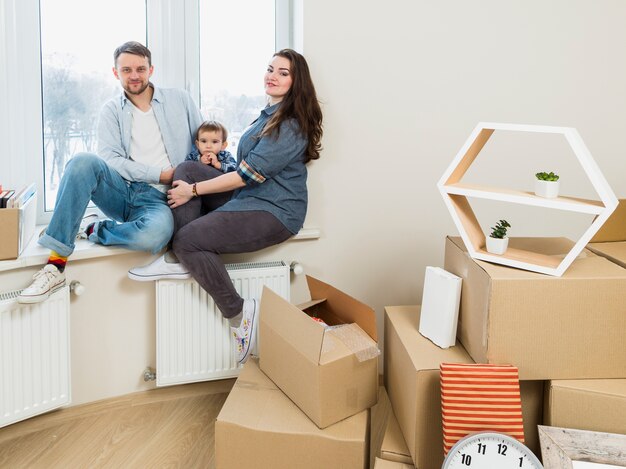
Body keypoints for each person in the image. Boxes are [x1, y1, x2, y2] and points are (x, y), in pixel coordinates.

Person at [131, 49, 323, 364]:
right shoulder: (269, 113)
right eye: (270, 68)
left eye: (283, 72)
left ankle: (237, 312)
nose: (272, 75)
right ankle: (180, 258)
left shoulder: (290, 124)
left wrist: (194, 191)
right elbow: (239, 173)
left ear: (297, 81)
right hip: (251, 199)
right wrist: (200, 176)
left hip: (275, 211)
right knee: (186, 168)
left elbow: (246, 176)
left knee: (187, 238)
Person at [17, 41, 202, 304]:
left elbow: (201, 141)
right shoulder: (111, 111)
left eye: (140, 68)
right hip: (123, 190)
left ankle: (93, 227)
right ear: (116, 73)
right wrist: (159, 173)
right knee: (82, 161)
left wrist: (193, 181)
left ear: (151, 69)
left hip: (161, 199)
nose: (134, 75)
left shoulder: (180, 100)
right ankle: (55, 264)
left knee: (154, 236)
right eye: (127, 70)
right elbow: (111, 160)